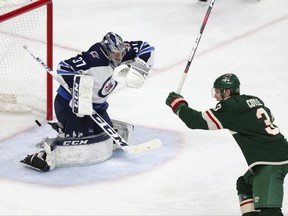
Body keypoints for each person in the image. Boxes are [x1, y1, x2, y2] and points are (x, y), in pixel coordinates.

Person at [21, 32, 155, 171]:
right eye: (115, 54)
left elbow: (147, 48)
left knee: (104, 138)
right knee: (83, 141)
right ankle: (44, 153)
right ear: (107, 51)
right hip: (69, 105)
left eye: (121, 53)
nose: (119, 57)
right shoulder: (93, 59)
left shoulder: (124, 51)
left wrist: (140, 66)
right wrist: (80, 94)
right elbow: (63, 67)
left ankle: (70, 127)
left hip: (97, 107)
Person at [166, 73, 288, 216]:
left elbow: (196, 121)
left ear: (227, 92)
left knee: (269, 210)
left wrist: (178, 105)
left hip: (271, 161)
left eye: (217, 92)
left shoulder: (229, 107)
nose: (215, 96)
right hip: (279, 152)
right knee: (245, 185)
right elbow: (269, 118)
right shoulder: (254, 100)